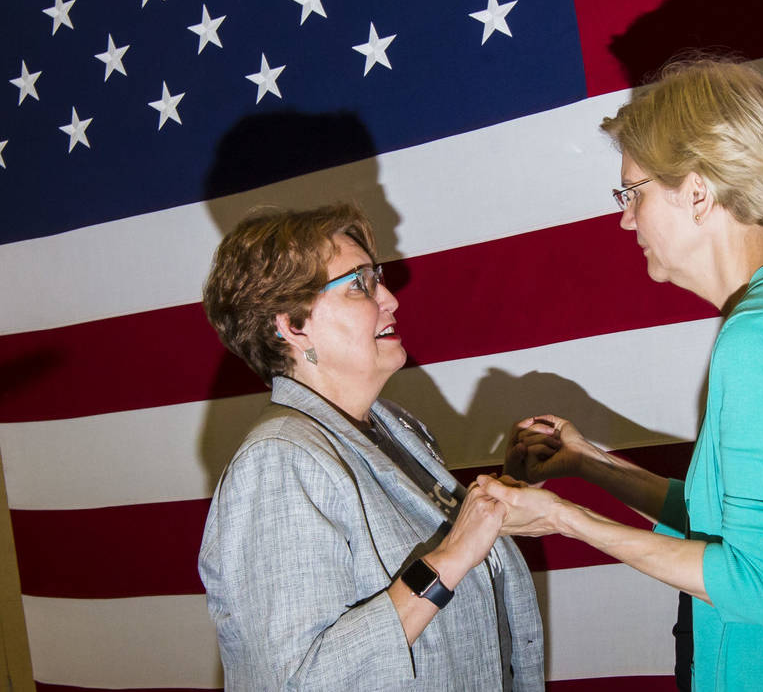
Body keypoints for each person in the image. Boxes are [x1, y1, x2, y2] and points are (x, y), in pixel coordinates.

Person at [481, 59, 763, 690]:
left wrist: (563, 519)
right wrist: (590, 463)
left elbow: (762, 585)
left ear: (696, 191)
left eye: (632, 193)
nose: (625, 220)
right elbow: (722, 518)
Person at [198, 204, 543, 690]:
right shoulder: (278, 462)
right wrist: (451, 557)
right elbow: (302, 678)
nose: (390, 299)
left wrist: (509, 487)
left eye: (376, 278)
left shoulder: (392, 426)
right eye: (359, 284)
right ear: (293, 326)